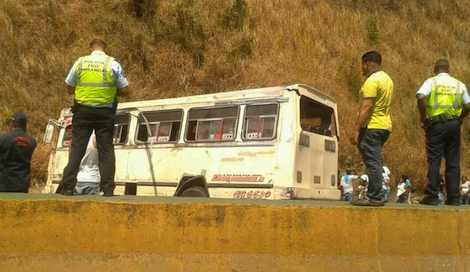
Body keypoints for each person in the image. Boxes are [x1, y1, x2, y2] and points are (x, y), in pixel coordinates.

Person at [62, 39, 130, 196]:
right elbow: (125, 90)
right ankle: (107, 189)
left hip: (82, 112)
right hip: (105, 114)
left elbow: (69, 88)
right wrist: (112, 91)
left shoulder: (80, 62)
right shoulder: (112, 63)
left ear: (90, 48)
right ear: (105, 49)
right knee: (106, 150)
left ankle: (68, 187)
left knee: (78, 148)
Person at [417, 59, 470, 206]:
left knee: (434, 160)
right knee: (453, 161)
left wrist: (424, 117)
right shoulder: (459, 84)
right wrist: (460, 119)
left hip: (436, 125)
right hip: (454, 124)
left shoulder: (431, 82)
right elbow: (468, 105)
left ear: (435, 69)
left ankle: (432, 196)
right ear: (448, 69)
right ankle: (454, 197)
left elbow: (420, 96)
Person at [350, 51, 393, 206]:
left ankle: (374, 197)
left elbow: (367, 107)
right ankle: (377, 195)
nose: (361, 69)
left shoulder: (371, 81)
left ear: (367, 64)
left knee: (373, 163)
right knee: (375, 161)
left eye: (362, 65)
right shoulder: (387, 79)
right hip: (384, 126)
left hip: (371, 126)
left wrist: (356, 129)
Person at [0, 113, 37, 193]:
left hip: (4, 184)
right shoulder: (32, 141)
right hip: (23, 184)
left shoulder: (3, 139)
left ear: (12, 124)